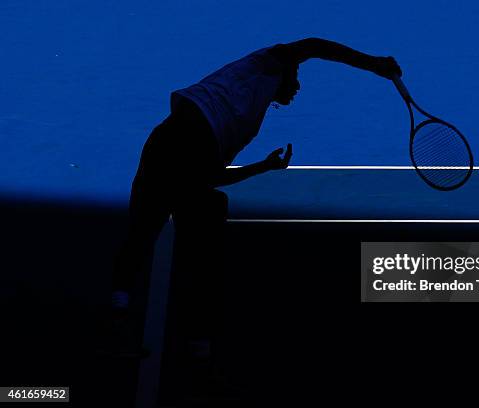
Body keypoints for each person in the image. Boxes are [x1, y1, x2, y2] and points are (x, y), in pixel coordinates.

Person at [102, 38, 402, 360]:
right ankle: (194, 350)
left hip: (167, 141)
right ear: (286, 70)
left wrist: (264, 167)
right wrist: (374, 64)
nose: (298, 86)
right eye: (296, 77)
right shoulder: (267, 62)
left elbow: (209, 175)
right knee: (180, 245)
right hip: (185, 136)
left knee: (146, 237)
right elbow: (316, 45)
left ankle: (125, 326)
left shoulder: (247, 124)